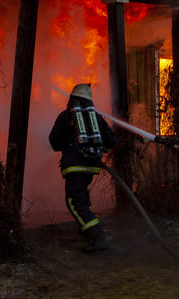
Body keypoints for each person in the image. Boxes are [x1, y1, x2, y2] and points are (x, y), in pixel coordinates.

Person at [49, 83, 116, 252]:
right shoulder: (97, 118)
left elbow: (54, 142)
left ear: (71, 99)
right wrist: (98, 151)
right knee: (83, 197)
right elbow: (111, 142)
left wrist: (68, 147)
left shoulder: (65, 116)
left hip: (73, 167)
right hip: (92, 167)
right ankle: (86, 226)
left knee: (74, 201)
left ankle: (98, 236)